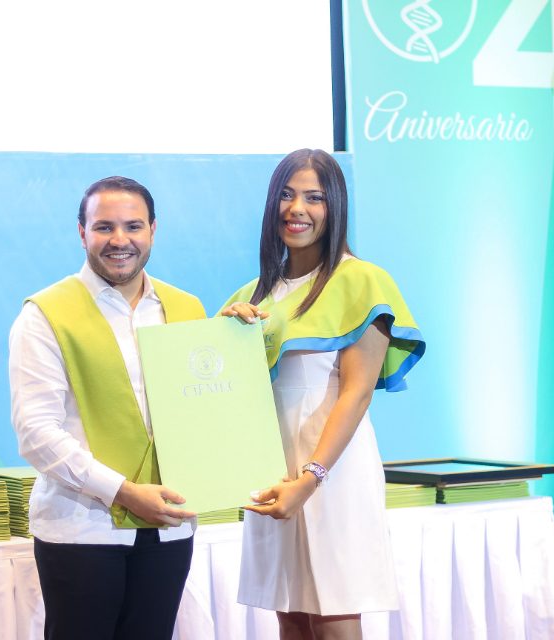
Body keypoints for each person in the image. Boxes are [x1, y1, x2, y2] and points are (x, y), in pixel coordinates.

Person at [222, 149, 425, 640]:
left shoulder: (362, 280)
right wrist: (225, 337)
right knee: (289, 615)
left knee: (334, 616)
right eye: (287, 195)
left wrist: (312, 477)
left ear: (335, 206)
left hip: (333, 469)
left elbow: (356, 393)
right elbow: (226, 396)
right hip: (272, 470)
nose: (298, 209)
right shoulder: (252, 294)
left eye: (314, 198)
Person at [9, 176, 205, 640]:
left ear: (153, 230)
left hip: (169, 527)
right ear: (82, 233)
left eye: (133, 226)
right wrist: (123, 492)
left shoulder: (187, 309)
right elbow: (36, 432)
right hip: (83, 528)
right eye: (104, 227)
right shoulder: (44, 314)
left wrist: (242, 336)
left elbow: (207, 407)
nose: (120, 240)